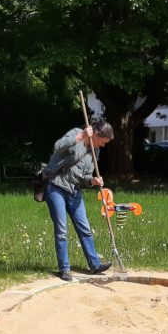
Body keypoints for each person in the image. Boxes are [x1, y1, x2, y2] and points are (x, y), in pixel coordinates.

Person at [43, 120, 114, 281]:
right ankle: (64, 269)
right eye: (102, 142)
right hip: (56, 186)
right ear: (95, 135)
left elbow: (84, 178)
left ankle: (94, 265)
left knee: (85, 228)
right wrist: (81, 136)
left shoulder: (95, 152)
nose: (102, 146)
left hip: (75, 191)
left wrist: (92, 181)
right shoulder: (77, 133)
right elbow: (58, 146)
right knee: (62, 229)